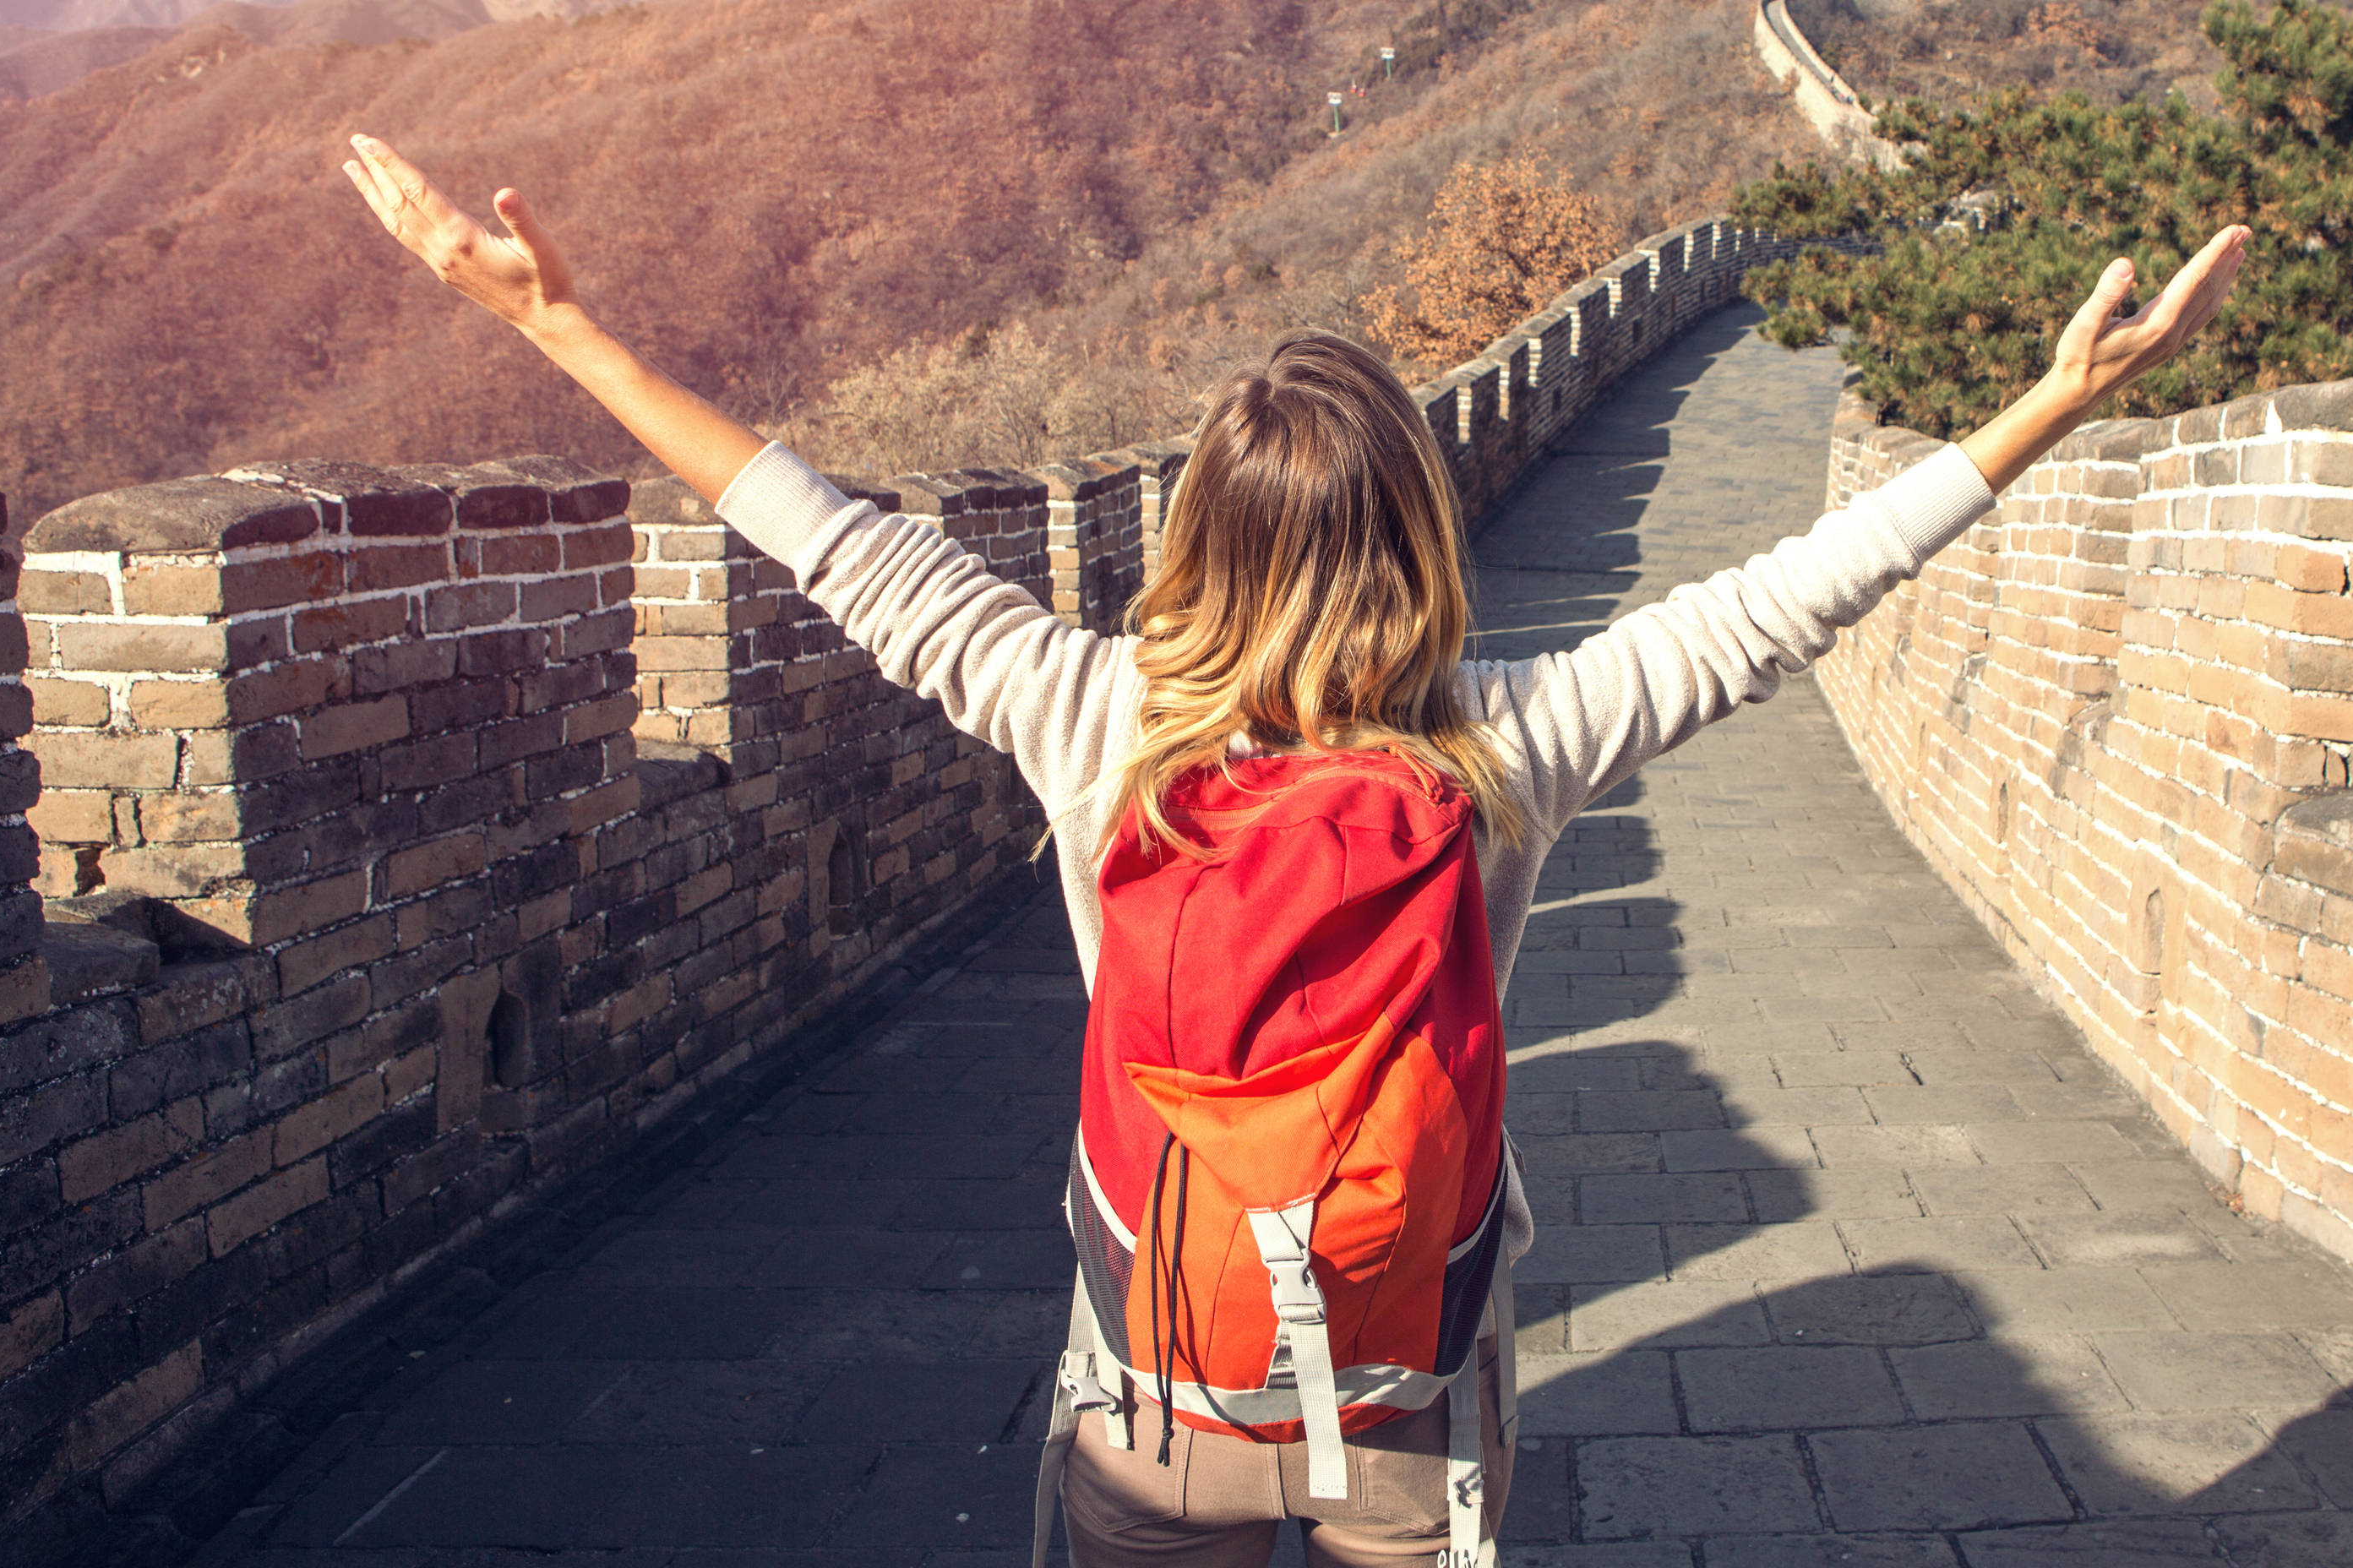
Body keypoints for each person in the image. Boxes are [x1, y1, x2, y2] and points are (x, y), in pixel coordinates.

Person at [341, 133, 2250, 1565]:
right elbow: (1773, 606)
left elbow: (822, 533)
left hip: (1155, 1398)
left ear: (1195, 537)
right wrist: (2049, 408)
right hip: (1412, 1398)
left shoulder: (1085, 719)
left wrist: (552, 318)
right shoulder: (1502, 746)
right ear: (1419, 537)